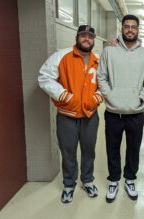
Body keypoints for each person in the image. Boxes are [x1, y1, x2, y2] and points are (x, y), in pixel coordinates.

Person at [38, 25, 103, 203]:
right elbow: (44, 77)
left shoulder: (99, 59)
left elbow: (106, 83)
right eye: (83, 36)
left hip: (90, 114)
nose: (86, 39)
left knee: (89, 151)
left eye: (90, 36)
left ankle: (87, 181)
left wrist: (97, 97)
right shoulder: (62, 56)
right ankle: (69, 184)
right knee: (68, 151)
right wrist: (64, 96)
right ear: (77, 37)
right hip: (67, 115)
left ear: (94, 40)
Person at [97, 14, 144, 203]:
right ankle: (114, 180)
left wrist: (140, 97)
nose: (130, 30)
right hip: (113, 112)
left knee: (133, 149)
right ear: (121, 29)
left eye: (134, 27)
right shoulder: (109, 51)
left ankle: (130, 179)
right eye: (127, 26)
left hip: (135, 113)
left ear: (138, 30)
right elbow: (101, 77)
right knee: (112, 148)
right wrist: (110, 96)